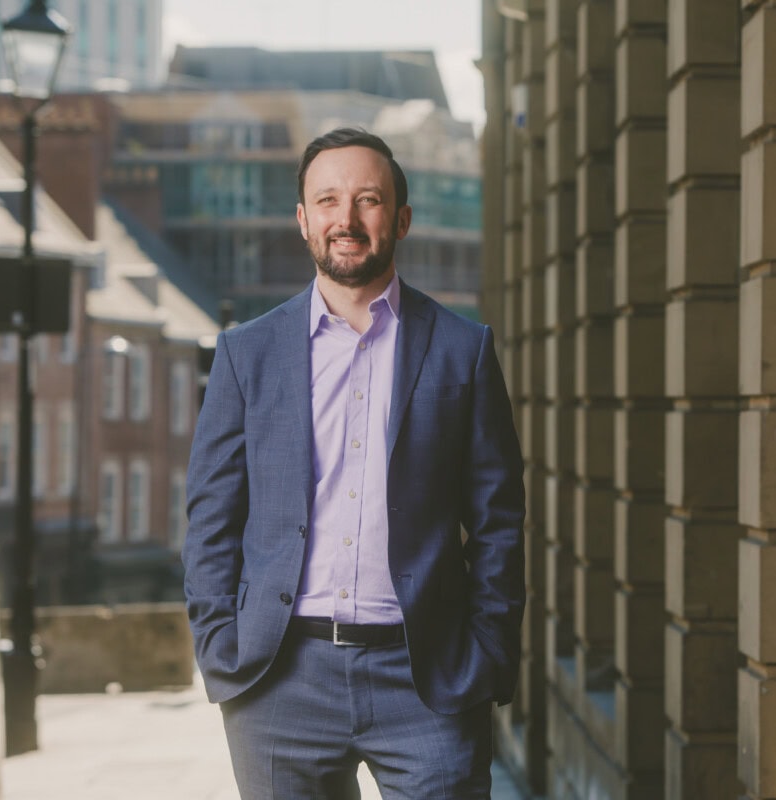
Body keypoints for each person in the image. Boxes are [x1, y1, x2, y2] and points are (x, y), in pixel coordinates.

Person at [182, 127, 526, 799]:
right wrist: (220, 645)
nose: (347, 218)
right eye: (329, 200)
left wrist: (488, 651)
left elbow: (499, 523)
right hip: (280, 681)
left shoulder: (464, 351)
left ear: (400, 218)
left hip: (429, 678)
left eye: (367, 199)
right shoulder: (245, 355)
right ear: (304, 219)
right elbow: (210, 520)